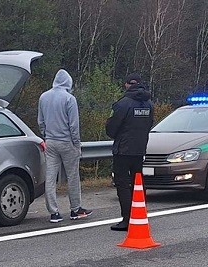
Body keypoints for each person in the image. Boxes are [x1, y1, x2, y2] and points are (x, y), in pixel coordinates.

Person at [37, 69, 93, 223]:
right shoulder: (69, 99)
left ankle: (54, 212)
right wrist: (76, 144)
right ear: (68, 83)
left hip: (51, 142)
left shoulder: (43, 97)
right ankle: (75, 209)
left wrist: (46, 135)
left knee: (50, 178)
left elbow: (40, 121)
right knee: (73, 177)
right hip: (67, 142)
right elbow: (74, 125)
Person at [105, 72, 154, 231]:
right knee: (138, 182)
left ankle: (127, 218)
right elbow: (149, 125)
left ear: (127, 84)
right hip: (140, 149)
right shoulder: (149, 104)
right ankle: (139, 213)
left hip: (123, 150)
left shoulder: (123, 103)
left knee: (122, 184)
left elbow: (111, 129)